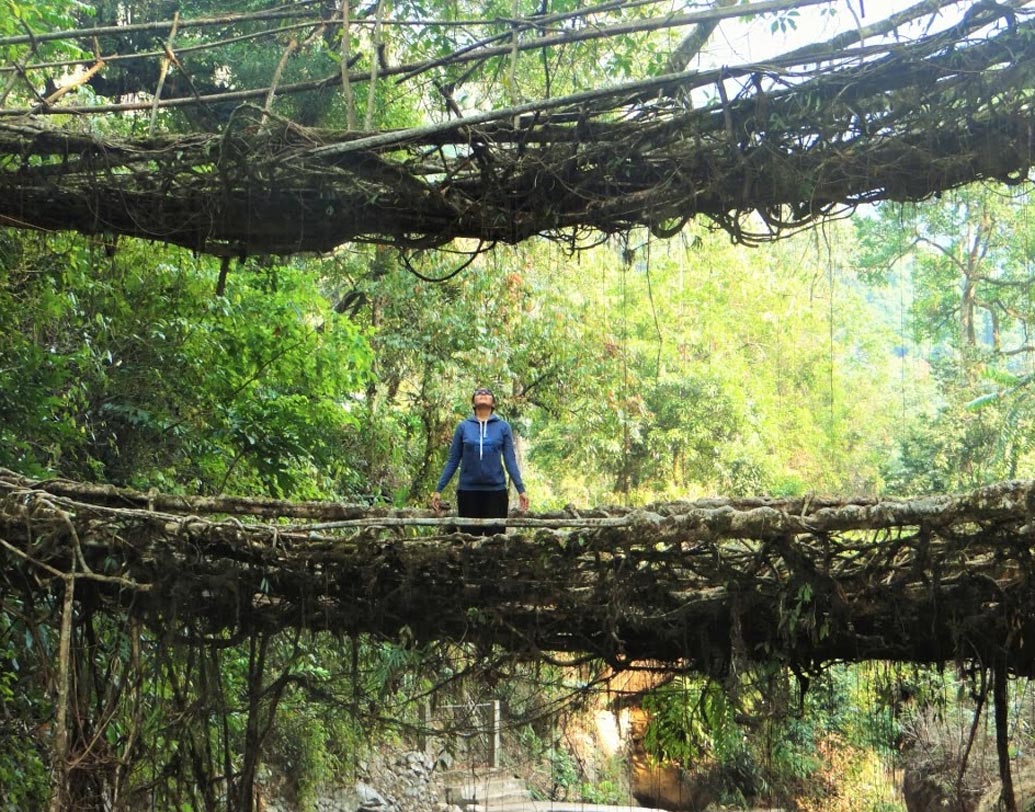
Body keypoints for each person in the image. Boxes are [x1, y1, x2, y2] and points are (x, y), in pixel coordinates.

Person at [431, 387, 529, 535]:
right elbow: (453, 461)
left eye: (487, 393)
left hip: (496, 492)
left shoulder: (503, 427)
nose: (483, 394)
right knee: (469, 540)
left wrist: (521, 489)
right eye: (479, 393)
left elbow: (510, 460)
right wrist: (439, 489)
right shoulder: (463, 427)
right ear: (473, 402)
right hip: (468, 492)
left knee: (495, 542)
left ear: (493, 403)